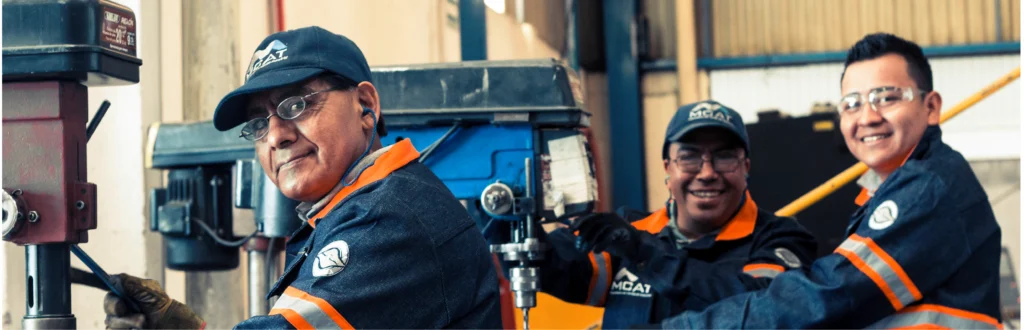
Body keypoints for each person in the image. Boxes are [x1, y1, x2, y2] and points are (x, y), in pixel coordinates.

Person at [102, 26, 503, 329]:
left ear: (365, 104)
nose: (276, 136)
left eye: (296, 105)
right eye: (259, 123)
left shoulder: (391, 220)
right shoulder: (352, 212)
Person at [657, 33, 1003, 329]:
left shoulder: (928, 188)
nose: (868, 117)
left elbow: (827, 296)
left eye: (886, 98)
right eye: (852, 104)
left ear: (931, 107)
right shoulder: (891, 191)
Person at [537, 101, 819, 328]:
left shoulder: (781, 239)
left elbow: (762, 311)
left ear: (745, 167)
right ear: (668, 168)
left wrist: (646, 254)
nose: (707, 173)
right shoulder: (629, 230)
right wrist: (517, 222)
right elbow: (557, 269)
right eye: (689, 157)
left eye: (724, 157)